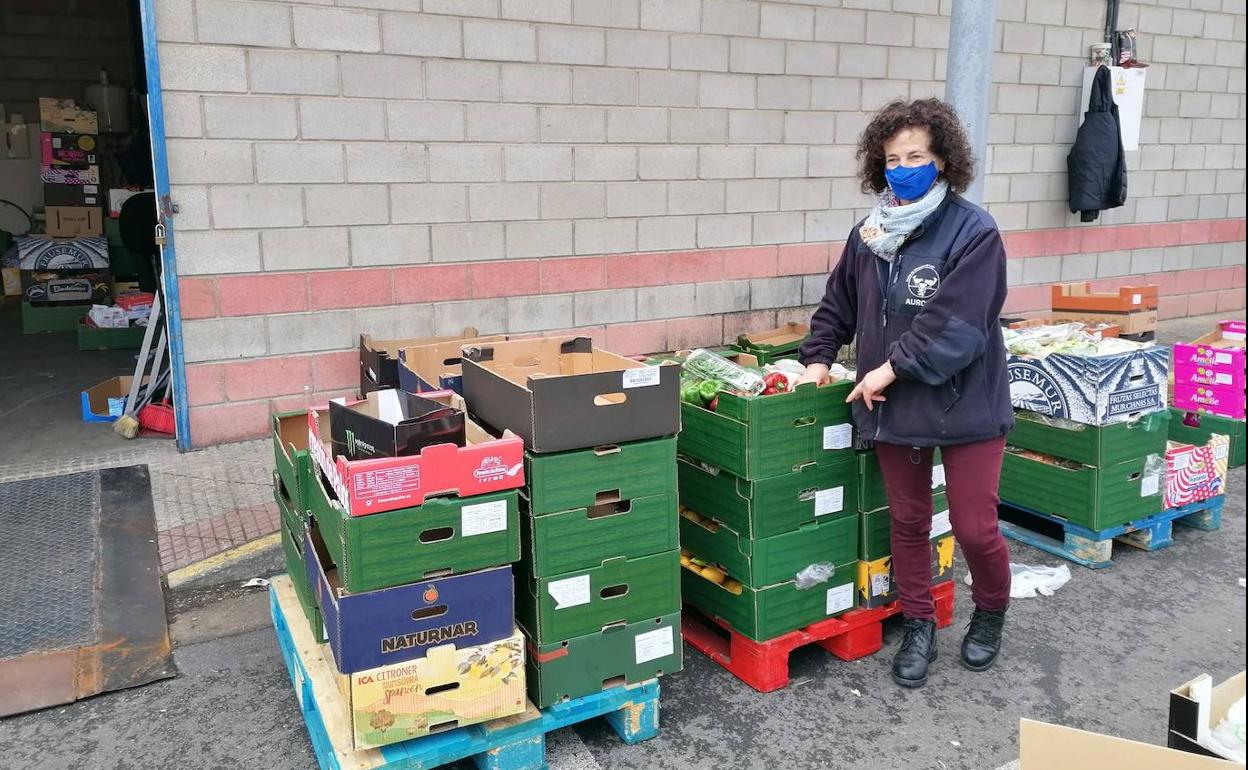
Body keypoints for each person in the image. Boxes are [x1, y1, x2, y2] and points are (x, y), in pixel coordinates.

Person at [797, 99, 1014, 689]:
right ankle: (919, 623)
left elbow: (960, 325)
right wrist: (818, 357)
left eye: (915, 156)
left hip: (963, 403)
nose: (903, 167)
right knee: (910, 520)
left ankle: (990, 612)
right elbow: (840, 301)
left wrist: (892, 368)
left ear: (942, 159)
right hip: (893, 406)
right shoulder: (870, 233)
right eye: (892, 159)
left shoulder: (975, 232)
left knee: (974, 526)